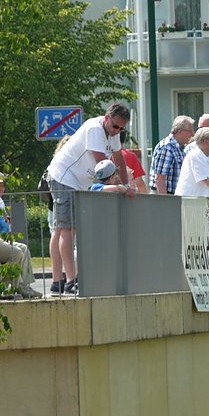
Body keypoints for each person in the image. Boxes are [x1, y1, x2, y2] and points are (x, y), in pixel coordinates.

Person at [46, 103, 134, 295]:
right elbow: (102, 162)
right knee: (68, 228)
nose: (117, 131)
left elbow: (119, 158)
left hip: (78, 181)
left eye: (121, 128)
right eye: (115, 126)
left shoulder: (114, 133)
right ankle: (70, 280)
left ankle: (56, 281)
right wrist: (120, 185)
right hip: (64, 177)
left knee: (62, 228)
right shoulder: (95, 128)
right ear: (107, 117)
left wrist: (126, 185)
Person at [0, 175, 42, 299]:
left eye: (2, 186)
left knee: (24, 248)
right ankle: (8, 286)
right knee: (16, 253)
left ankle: (24, 286)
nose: (2, 189)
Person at [149, 115, 195, 194]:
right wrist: (165, 202)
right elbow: (159, 179)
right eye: (190, 131)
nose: (193, 134)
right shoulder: (167, 148)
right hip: (165, 196)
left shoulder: (180, 148)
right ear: (180, 131)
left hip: (175, 195)